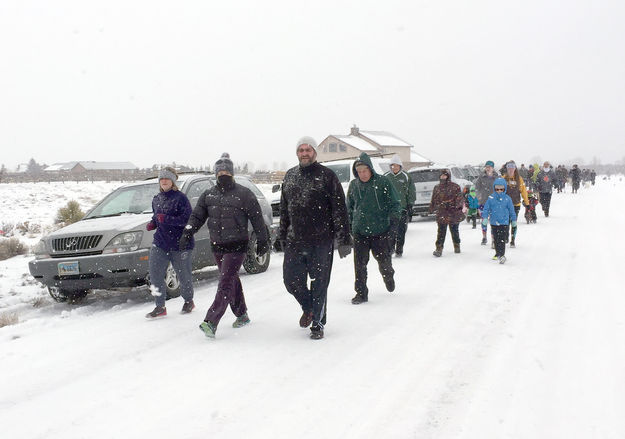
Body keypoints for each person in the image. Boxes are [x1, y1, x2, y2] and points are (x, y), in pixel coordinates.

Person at [179, 153, 269, 338]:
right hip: (217, 244)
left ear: (233, 173)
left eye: (227, 170)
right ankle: (242, 315)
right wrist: (188, 231)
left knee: (225, 281)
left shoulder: (244, 193)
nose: (223, 173)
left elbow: (257, 219)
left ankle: (211, 321)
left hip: (237, 244)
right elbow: (197, 216)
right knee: (231, 280)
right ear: (215, 173)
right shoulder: (208, 194)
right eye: (220, 171)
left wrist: (262, 240)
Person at [279, 137, 352, 340]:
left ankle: (318, 323)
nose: (304, 153)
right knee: (291, 280)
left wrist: (344, 238)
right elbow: (285, 209)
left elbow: (339, 209)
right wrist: (282, 235)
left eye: (308, 150)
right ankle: (309, 307)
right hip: (296, 240)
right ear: (297, 153)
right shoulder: (290, 175)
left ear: (315, 153)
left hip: (321, 240)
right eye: (301, 150)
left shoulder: (327, 176)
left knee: (320, 283)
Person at [347, 152, 400, 304]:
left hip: (380, 230)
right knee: (360, 265)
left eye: (364, 170)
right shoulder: (354, 185)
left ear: (370, 169)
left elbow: (395, 202)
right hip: (360, 231)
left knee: (384, 262)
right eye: (359, 171)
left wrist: (394, 219)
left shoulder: (383, 182)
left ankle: (388, 275)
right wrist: (350, 225)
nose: (362, 174)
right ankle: (361, 293)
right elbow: (349, 207)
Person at [145, 167, 194, 319]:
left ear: (173, 181)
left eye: (167, 178)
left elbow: (187, 220)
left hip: (180, 244)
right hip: (160, 242)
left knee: (183, 274)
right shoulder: (157, 199)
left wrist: (166, 220)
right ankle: (160, 306)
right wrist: (153, 223)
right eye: (162, 179)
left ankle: (188, 301)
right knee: (155, 275)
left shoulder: (181, 198)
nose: (164, 181)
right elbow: (157, 217)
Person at [384, 154, 416, 257]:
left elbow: (411, 191)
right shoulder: (386, 177)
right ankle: (390, 249)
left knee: (401, 231)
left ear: (400, 166)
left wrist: (410, 204)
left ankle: (399, 250)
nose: (395, 168)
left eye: (397, 166)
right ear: (390, 166)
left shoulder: (406, 177)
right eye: (393, 166)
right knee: (390, 231)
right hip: (389, 209)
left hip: (402, 208)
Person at [429, 169, 464, 257]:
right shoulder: (437, 187)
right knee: (441, 231)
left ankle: (457, 245)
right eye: (441, 175)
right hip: (442, 212)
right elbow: (434, 199)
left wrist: (454, 206)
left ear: (448, 176)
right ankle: (439, 249)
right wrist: (432, 208)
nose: (443, 177)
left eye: (445, 175)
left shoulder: (455, 186)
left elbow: (459, 199)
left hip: (453, 212)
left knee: (454, 230)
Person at [482, 178, 516, 264]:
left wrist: (513, 220)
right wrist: (485, 218)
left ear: (504, 189)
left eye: (501, 189)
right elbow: (486, 209)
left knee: (502, 239)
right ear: (494, 188)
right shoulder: (491, 198)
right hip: (494, 222)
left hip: (504, 222)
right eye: (497, 189)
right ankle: (497, 253)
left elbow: (512, 210)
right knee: (496, 239)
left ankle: (502, 255)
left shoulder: (507, 199)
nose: (499, 191)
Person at [501, 161, 529, 248]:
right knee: (505, 222)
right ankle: (506, 236)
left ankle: (513, 240)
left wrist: (527, 202)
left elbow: (523, 191)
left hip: (515, 204)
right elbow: (498, 190)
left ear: (515, 168)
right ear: (507, 168)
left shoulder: (519, 179)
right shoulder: (503, 178)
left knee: (513, 222)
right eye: (509, 167)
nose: (511, 169)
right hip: (504, 205)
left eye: (512, 167)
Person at [474, 160, 497, 245]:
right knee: (484, 221)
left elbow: (501, 188)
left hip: (494, 203)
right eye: (486, 167)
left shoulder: (497, 177)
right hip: (483, 202)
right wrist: (479, 196)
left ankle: (493, 238)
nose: (488, 168)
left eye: (489, 167)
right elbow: (477, 188)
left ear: (493, 168)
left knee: (493, 221)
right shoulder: (481, 177)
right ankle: (484, 237)